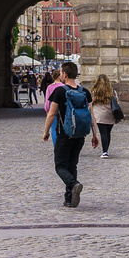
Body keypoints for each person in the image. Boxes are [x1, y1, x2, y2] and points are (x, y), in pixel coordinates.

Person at [43, 61, 97, 206]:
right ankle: (69, 199)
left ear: (65, 75)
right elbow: (91, 114)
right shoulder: (84, 92)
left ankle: (73, 185)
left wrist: (46, 131)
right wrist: (95, 134)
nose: (60, 75)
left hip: (64, 134)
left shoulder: (60, 91)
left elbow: (51, 114)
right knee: (72, 165)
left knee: (60, 166)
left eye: (61, 73)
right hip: (80, 135)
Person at [89, 73, 119, 158]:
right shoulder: (112, 91)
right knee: (108, 133)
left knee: (103, 133)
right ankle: (106, 150)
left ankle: (105, 151)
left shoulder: (94, 91)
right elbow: (117, 101)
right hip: (110, 114)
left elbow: (91, 102)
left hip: (99, 115)